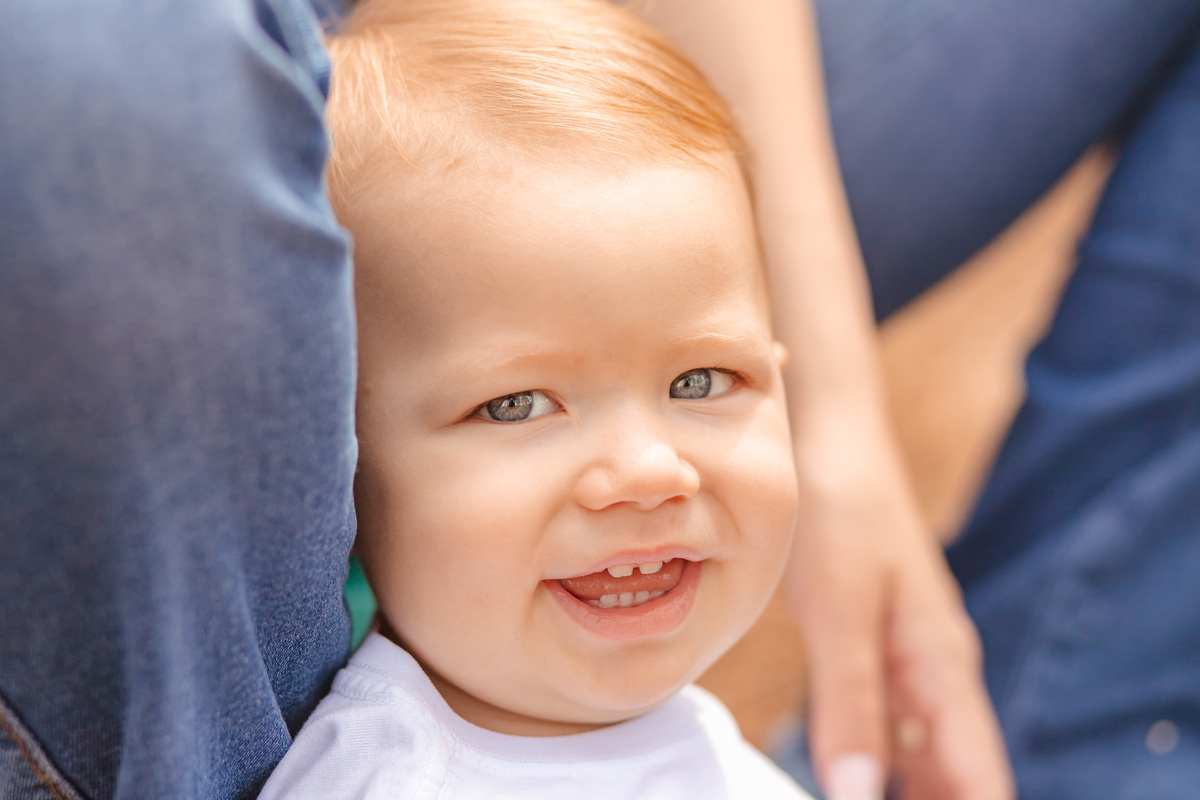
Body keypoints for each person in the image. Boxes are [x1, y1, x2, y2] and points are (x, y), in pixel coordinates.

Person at [256, 0, 810, 796]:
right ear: (337, 467)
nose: (649, 471)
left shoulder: (684, 741)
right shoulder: (389, 781)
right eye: (516, 404)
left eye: (700, 382)